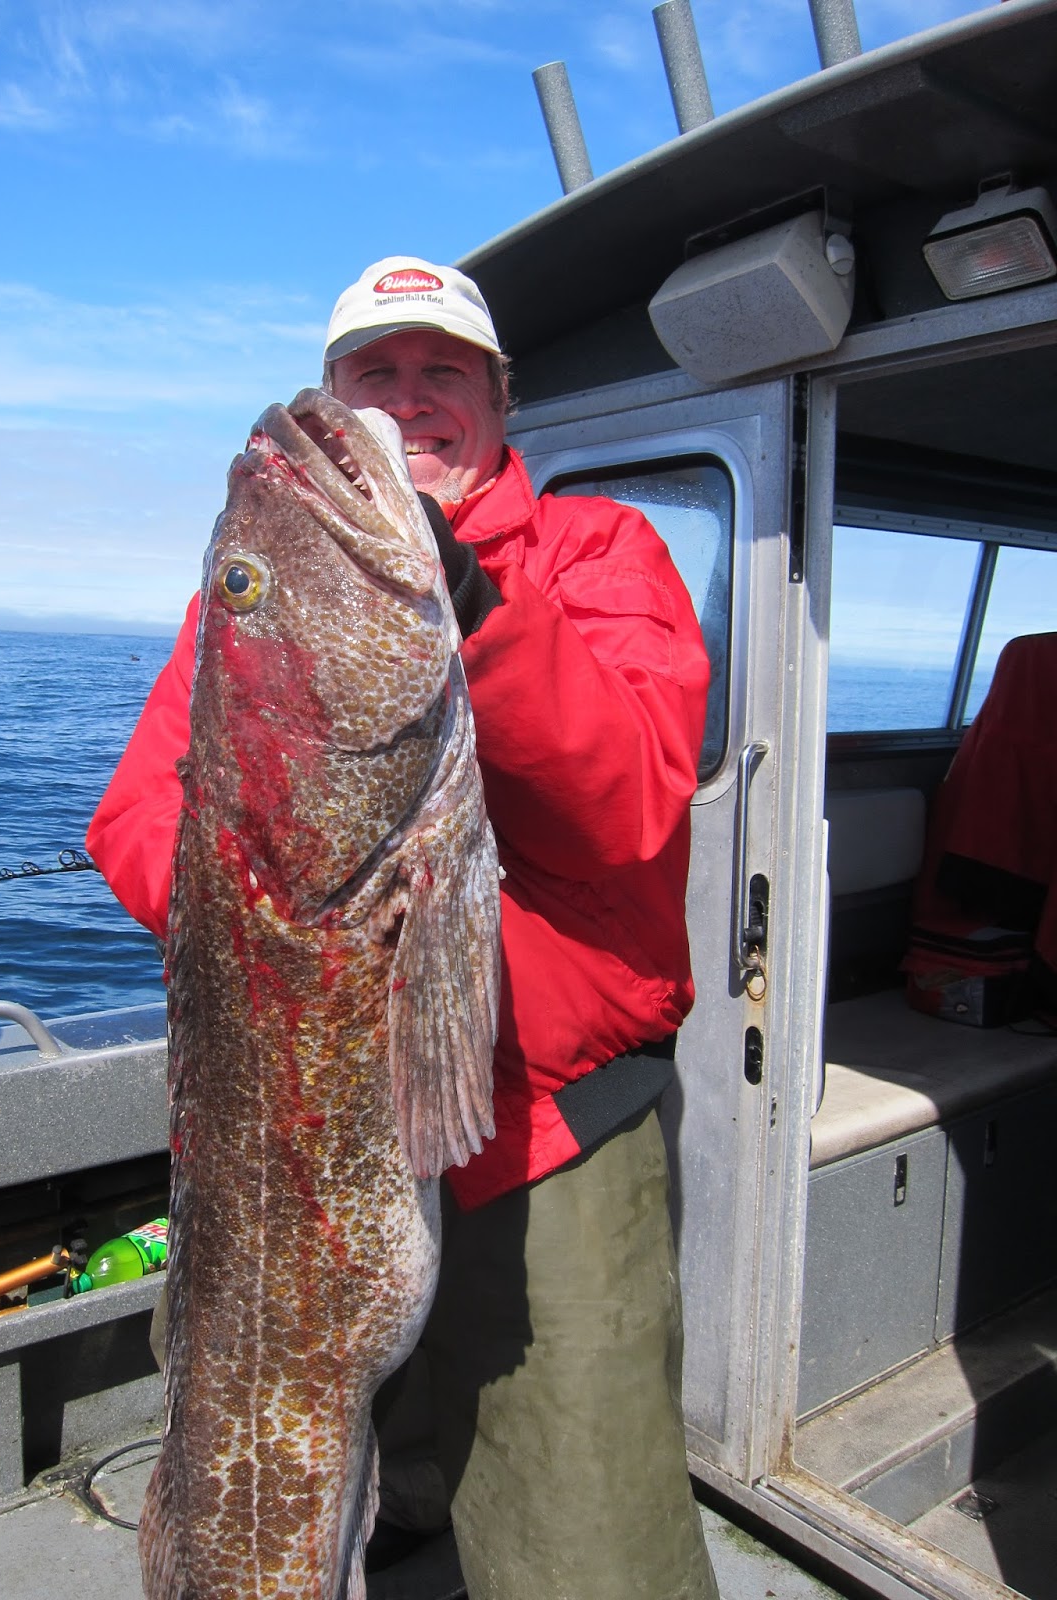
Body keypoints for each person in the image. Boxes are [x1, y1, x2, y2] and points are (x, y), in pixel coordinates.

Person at [87, 255, 718, 1600]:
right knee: (313, 1499)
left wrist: (479, 612)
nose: (408, 400)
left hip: (547, 1142)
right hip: (305, 1130)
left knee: (582, 1552)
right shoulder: (265, 582)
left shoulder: (600, 555)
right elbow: (138, 819)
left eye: (445, 372)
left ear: (499, 399)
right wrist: (273, 905)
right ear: (337, 392)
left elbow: (632, 799)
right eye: (376, 372)